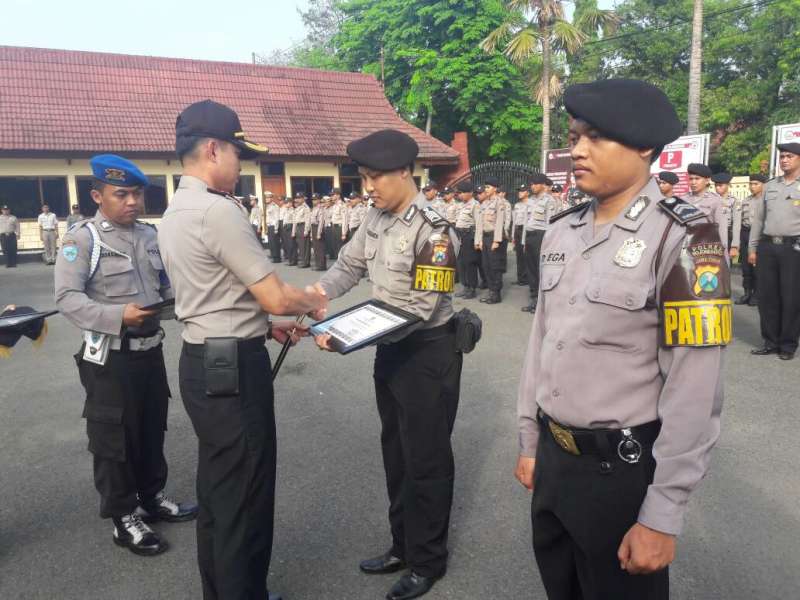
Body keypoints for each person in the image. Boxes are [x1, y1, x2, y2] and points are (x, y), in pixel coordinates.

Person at [517, 79, 728, 600]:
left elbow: (695, 387)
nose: (579, 150)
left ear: (644, 148)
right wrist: (529, 437)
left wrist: (663, 514)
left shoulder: (685, 238)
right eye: (574, 136)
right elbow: (541, 343)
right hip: (555, 462)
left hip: (622, 474)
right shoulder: (564, 230)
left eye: (597, 137)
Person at [157, 99, 327, 600]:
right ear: (213, 149)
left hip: (201, 359)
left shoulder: (176, 209)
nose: (242, 164)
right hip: (232, 369)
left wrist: (264, 326)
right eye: (238, 153)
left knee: (218, 491)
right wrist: (311, 300)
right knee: (245, 496)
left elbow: (215, 295)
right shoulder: (217, 211)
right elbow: (274, 294)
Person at [314, 129, 462, 600]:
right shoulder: (375, 218)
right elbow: (347, 266)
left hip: (427, 353)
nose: (369, 188)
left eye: (376, 177)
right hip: (391, 351)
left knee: (427, 460)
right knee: (396, 454)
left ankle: (427, 561)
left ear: (404, 172)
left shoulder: (434, 228)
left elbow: (420, 306)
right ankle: (403, 544)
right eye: (363, 178)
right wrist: (314, 298)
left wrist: (343, 335)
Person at [54, 154, 198, 556]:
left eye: (137, 193)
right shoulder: (82, 240)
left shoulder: (150, 237)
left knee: (152, 426)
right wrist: (119, 315)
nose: (133, 201)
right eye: (122, 194)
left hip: (151, 350)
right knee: (114, 437)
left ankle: (152, 497)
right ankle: (123, 516)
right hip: (110, 357)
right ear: (98, 195)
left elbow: (169, 289)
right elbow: (68, 300)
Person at [748, 142, 800, 360]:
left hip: (793, 248)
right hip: (768, 246)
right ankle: (770, 341)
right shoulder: (770, 186)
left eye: (789, 156)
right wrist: (752, 247)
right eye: (782, 157)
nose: (784, 160)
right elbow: (759, 220)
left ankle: (787, 345)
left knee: (791, 297)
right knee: (767, 296)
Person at [521, 174, 557, 313]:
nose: (532, 186)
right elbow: (526, 222)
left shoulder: (549, 201)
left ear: (543, 184)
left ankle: (542, 303)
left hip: (541, 236)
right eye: (532, 184)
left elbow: (551, 223)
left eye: (535, 184)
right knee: (531, 270)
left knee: (540, 269)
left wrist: (548, 243)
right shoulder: (529, 201)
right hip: (530, 236)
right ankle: (533, 299)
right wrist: (524, 241)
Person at [730, 174, 765, 306]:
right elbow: (738, 222)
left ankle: (757, 295)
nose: (752, 186)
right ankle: (747, 293)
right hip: (745, 234)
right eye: (751, 184)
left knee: (757, 267)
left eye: (756, 184)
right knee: (746, 267)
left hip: (760, 236)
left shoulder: (766, 200)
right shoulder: (745, 201)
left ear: (763, 185)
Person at [475, 180, 507, 304]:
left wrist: (497, 240)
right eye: (485, 187)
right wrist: (479, 240)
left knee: (495, 266)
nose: (486, 189)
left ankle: (496, 294)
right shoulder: (484, 203)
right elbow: (480, 224)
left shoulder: (499, 202)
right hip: (485, 237)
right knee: (486, 265)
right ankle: (491, 291)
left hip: (494, 236)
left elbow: (500, 222)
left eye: (488, 187)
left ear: (495, 188)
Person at [686, 163, 727, 248]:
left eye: (697, 179)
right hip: (684, 246)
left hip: (705, 247)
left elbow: (721, 230)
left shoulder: (716, 200)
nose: (693, 182)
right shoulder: (683, 199)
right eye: (691, 179)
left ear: (707, 180)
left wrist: (723, 254)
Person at [453, 180, 480, 299]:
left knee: (470, 263)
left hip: (469, 236)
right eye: (460, 193)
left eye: (463, 192)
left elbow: (479, 224)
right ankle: (465, 286)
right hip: (460, 236)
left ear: (470, 193)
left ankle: (472, 289)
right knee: (461, 263)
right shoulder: (461, 205)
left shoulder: (475, 205)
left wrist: (477, 241)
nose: (461, 195)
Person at [711, 172, 736, 248]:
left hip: (727, 234)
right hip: (712, 234)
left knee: (726, 258)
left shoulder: (734, 201)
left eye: (720, 185)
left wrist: (734, 244)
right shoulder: (711, 200)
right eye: (716, 185)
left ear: (728, 185)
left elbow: (736, 224)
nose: (717, 188)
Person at [512, 184, 530, 286]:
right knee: (519, 255)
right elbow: (514, 221)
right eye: (519, 191)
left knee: (526, 255)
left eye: (522, 191)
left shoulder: (531, 204)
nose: (520, 193)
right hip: (518, 231)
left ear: (527, 192)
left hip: (526, 230)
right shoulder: (517, 205)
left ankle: (527, 277)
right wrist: (513, 235)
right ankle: (520, 278)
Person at [292, 193, 311, 268]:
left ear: (303, 199)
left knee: (305, 246)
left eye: (300, 198)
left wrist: (306, 230)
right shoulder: (298, 208)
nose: (298, 199)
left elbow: (307, 220)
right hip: (298, 227)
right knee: (300, 245)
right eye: (297, 198)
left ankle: (306, 262)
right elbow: (295, 220)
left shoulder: (306, 207)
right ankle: (303, 260)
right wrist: (294, 231)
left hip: (303, 226)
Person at [310, 193, 327, 271]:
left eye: (315, 199)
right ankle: (318, 264)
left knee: (320, 248)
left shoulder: (321, 209)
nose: (314, 201)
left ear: (319, 200)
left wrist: (319, 233)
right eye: (313, 199)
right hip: (313, 228)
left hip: (318, 228)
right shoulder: (314, 208)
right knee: (316, 248)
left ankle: (322, 266)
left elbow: (321, 222)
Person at [265, 192, 282, 263]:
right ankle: (274, 256)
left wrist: (276, 229)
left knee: (275, 243)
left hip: (273, 226)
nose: (266, 199)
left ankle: (277, 258)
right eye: (266, 197)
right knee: (271, 242)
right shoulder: (268, 206)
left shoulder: (275, 206)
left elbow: (276, 218)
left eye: (268, 197)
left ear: (271, 198)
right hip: (269, 226)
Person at [330, 188, 347, 258]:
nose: (332, 197)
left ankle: (343, 265)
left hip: (340, 228)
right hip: (334, 227)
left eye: (333, 195)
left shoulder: (342, 205)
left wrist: (344, 233)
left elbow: (344, 220)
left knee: (341, 248)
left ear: (338, 195)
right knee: (336, 247)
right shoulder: (334, 206)